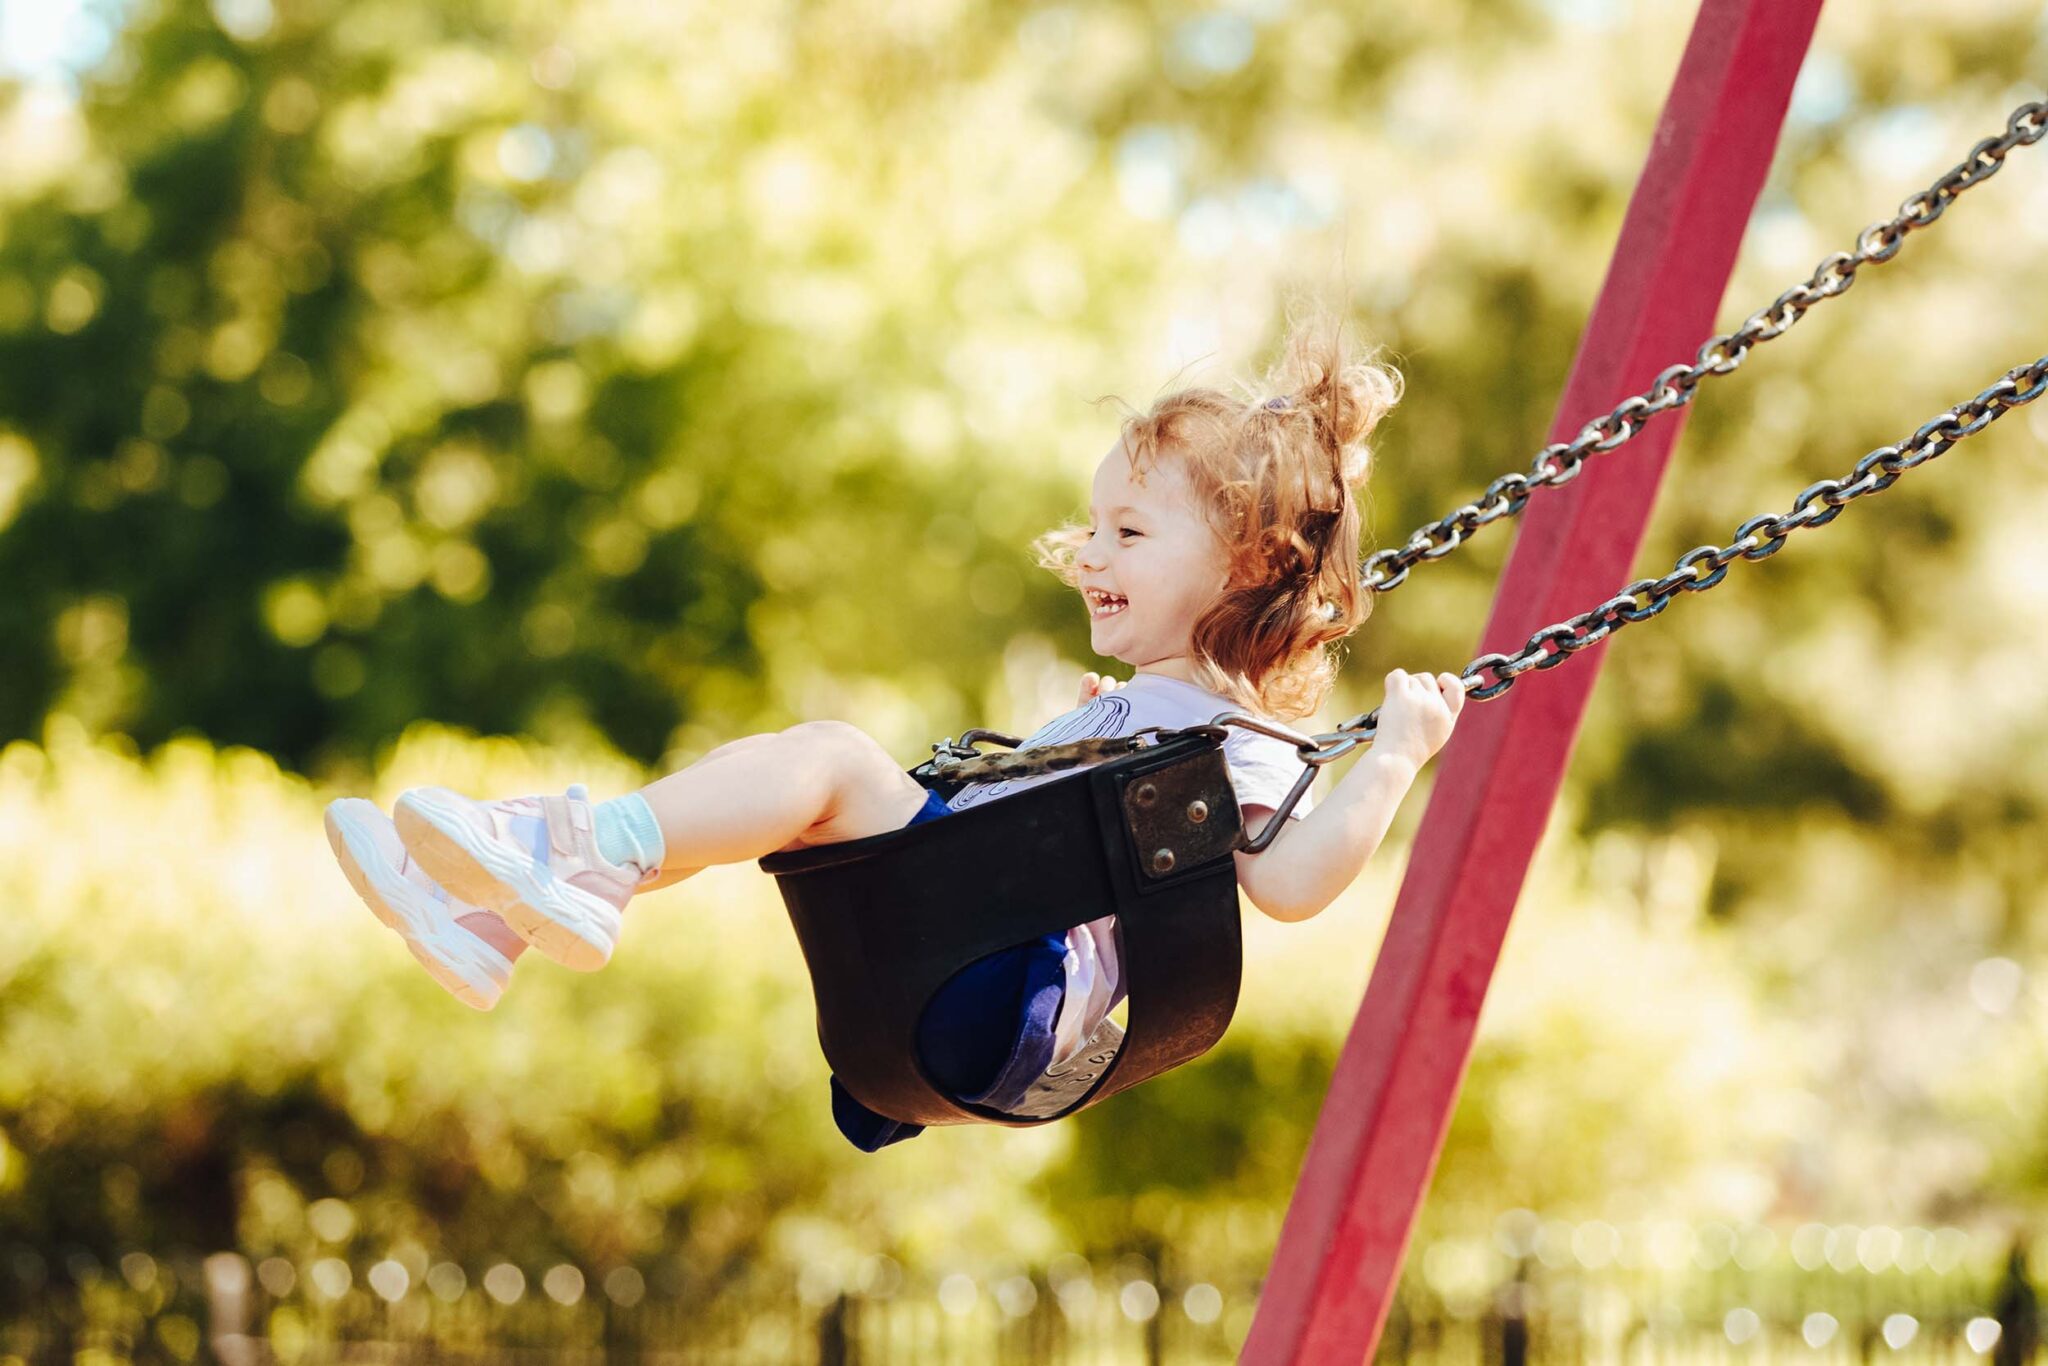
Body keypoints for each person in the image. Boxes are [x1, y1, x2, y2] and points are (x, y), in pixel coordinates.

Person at [323, 316, 1467, 1149]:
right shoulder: (1136, 714)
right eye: (1089, 527)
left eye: (1126, 530)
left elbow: (1291, 885)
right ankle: (495, 916)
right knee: (768, 784)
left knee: (825, 759)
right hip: (947, 961)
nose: (1089, 554)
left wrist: (1395, 758)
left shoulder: (1238, 739)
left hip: (991, 988)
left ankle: (567, 843)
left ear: (1248, 563)